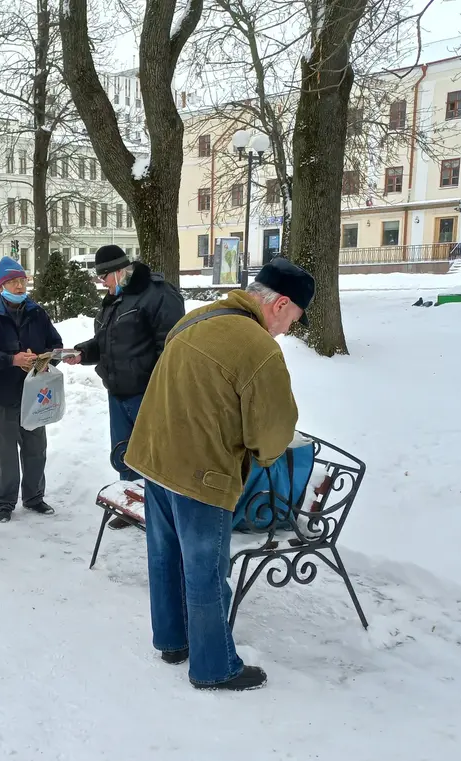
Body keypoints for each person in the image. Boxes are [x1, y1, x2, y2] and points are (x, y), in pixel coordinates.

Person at [123, 257, 315, 692]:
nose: (289, 330)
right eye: (294, 319)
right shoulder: (259, 348)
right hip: (201, 474)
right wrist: (263, 457)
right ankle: (213, 666)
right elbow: (273, 433)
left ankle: (173, 641)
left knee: (164, 556)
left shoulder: (198, 317)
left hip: (156, 459)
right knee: (206, 570)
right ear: (280, 304)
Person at [63, 244, 185, 528]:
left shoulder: (159, 295)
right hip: (118, 391)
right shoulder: (115, 299)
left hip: (147, 393)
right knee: (125, 453)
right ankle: (131, 503)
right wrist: (82, 353)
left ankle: (161, 511)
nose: (101, 282)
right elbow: (107, 342)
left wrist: (159, 391)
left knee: (154, 455)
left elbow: (171, 349)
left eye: (104, 276)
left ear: (119, 271)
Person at [0, 256, 63, 524]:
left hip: (34, 395)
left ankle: (34, 497)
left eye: (22, 281)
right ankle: (4, 503)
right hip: (0, 396)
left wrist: (46, 358)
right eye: (13, 282)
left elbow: (55, 344)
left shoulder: (37, 312)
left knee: (35, 449)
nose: (20, 287)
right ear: (1, 286)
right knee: (3, 452)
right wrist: (12, 359)